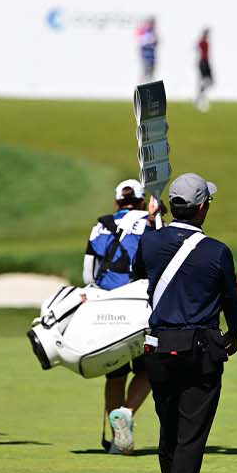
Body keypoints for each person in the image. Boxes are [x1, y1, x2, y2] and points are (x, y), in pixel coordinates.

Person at [131, 173, 237, 473]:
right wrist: (234, 332)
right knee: (192, 431)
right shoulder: (217, 251)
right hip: (202, 349)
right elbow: (230, 299)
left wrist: (152, 225)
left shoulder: (149, 242)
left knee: (169, 426)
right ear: (203, 208)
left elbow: (138, 271)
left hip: (159, 347)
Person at [85, 178, 156, 455]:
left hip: (106, 308)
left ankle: (117, 442)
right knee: (148, 369)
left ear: (116, 203)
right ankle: (126, 412)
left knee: (114, 373)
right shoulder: (148, 222)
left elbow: (88, 275)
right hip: (137, 307)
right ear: (140, 201)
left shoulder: (99, 226)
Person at [196, 28, 214, 112]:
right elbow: (197, 46)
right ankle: (200, 96)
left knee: (210, 81)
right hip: (203, 62)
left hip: (206, 62)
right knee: (204, 80)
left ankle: (200, 94)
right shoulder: (202, 40)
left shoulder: (204, 40)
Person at [137, 16, 159, 83]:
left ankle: (151, 89)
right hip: (146, 57)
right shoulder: (145, 32)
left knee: (151, 74)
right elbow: (142, 44)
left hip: (152, 57)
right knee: (145, 73)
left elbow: (156, 42)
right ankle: (140, 89)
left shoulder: (153, 32)